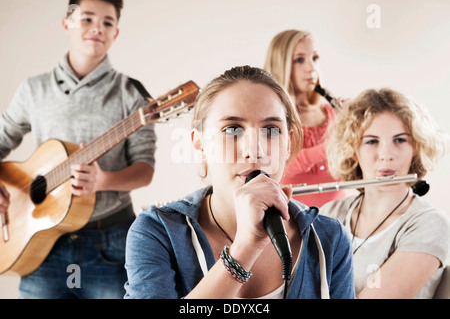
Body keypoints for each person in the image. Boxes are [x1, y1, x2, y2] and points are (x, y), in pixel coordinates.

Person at [124, 65, 354, 299]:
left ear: (289, 142)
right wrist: (244, 250)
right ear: (199, 144)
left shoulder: (329, 239)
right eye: (232, 129)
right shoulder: (156, 233)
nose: (254, 151)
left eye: (271, 130)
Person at [0, 0, 156, 298]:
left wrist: (103, 181)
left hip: (110, 243)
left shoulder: (131, 94)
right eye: (86, 19)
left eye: (107, 22)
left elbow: (145, 169)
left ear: (115, 33)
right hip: (40, 244)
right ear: (67, 23)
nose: (97, 28)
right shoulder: (33, 90)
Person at [320, 88, 450, 298]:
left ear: (416, 147)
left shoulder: (430, 223)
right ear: (353, 149)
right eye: (372, 141)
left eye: (400, 140)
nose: (386, 155)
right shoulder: (331, 213)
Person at [264, 29, 346, 207]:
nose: (311, 68)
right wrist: (328, 147)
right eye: (299, 60)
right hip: (292, 222)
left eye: (314, 58)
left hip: (337, 222)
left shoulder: (332, 114)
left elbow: (351, 167)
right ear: (281, 65)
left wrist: (355, 127)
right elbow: (279, 168)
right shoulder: (272, 118)